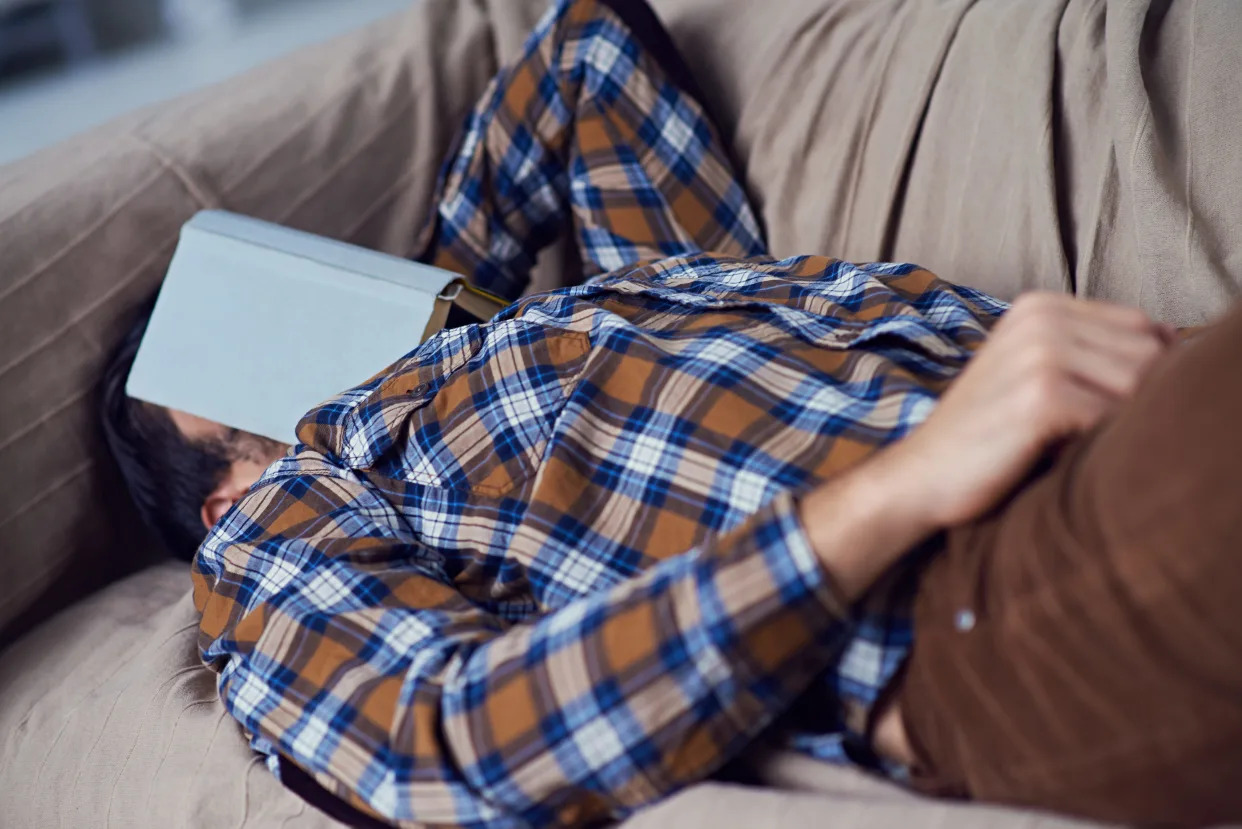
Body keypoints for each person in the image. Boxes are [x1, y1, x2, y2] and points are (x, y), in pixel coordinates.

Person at [105, 0, 1242, 826]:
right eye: (223, 343)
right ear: (220, 492)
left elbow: (587, 53)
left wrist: (425, 288)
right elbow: (445, 749)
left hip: (1131, 403)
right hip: (977, 587)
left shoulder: (586, 312)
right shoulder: (281, 521)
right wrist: (898, 489)